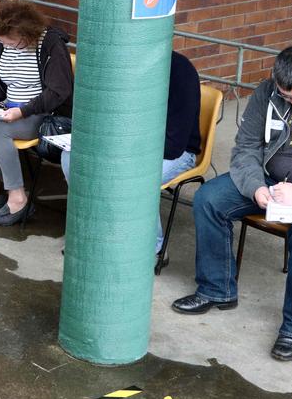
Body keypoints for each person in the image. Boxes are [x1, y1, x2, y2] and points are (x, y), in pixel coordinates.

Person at [172, 46, 292, 362]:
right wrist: (256, 187)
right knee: (209, 199)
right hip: (271, 182)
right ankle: (216, 288)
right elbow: (246, 147)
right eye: (287, 98)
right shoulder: (269, 92)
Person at [60, 50, 201, 253]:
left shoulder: (180, 71)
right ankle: (94, 231)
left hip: (176, 152)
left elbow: (173, 147)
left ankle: (152, 248)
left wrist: (123, 149)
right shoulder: (119, 64)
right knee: (72, 158)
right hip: (125, 146)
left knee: (131, 177)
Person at [0, 0, 72, 226]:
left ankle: (17, 197)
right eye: (3, 42)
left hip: (41, 113)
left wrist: (23, 111)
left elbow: (59, 91)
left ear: (27, 34)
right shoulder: (4, 42)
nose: (7, 47)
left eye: (12, 43)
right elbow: (1, 84)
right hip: (10, 108)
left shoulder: (50, 43)